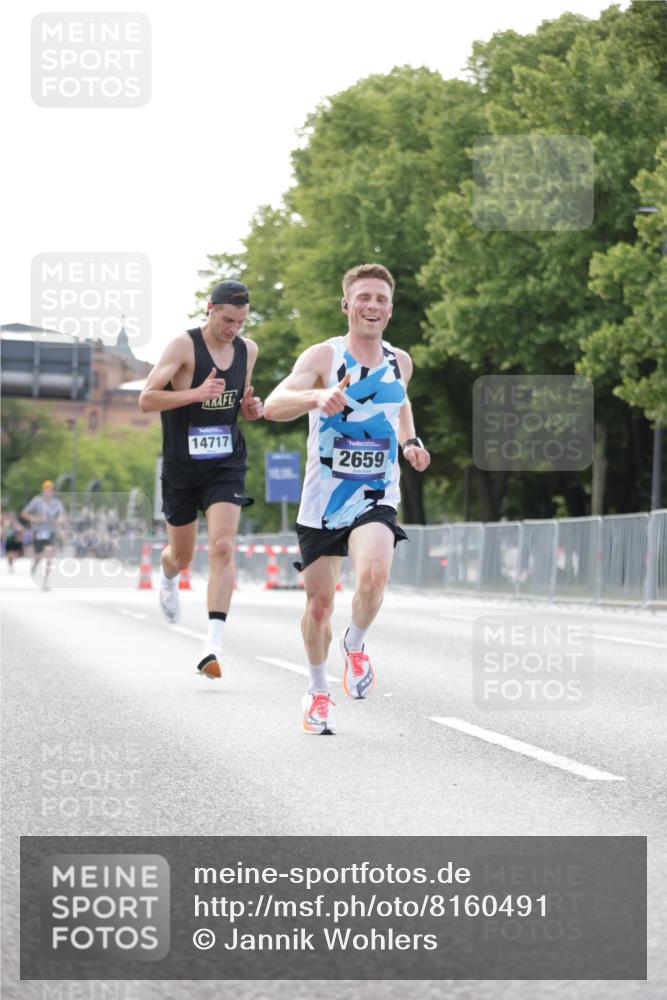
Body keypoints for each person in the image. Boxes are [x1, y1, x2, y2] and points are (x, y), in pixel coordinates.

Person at [263, 263, 430, 734]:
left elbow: (399, 402)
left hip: (375, 493)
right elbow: (274, 404)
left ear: (390, 309)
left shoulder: (401, 361)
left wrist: (410, 442)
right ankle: (317, 691)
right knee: (319, 606)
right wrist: (315, 399)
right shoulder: (323, 357)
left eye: (380, 299)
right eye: (363, 297)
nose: (372, 305)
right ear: (346, 304)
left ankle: (354, 646)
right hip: (322, 501)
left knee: (374, 576)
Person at [139, 280, 263, 678]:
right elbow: (147, 399)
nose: (233, 329)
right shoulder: (182, 346)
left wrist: (251, 408)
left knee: (223, 547)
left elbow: (238, 406)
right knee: (183, 556)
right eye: (227, 320)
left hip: (226, 462)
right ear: (210, 308)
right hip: (181, 466)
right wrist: (195, 394)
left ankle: (212, 644)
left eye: (240, 322)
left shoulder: (248, 350)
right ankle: (168, 574)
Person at [21, 481, 66, 589]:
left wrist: (59, 521)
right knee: (39, 557)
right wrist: (34, 519)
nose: (47, 492)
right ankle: (35, 565)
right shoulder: (36, 501)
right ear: (42, 491)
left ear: (53, 491)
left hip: (50, 532)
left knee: (49, 557)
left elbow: (63, 516)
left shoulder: (57, 503)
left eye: (50, 490)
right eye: (45, 490)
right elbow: (23, 513)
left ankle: (45, 582)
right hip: (38, 532)